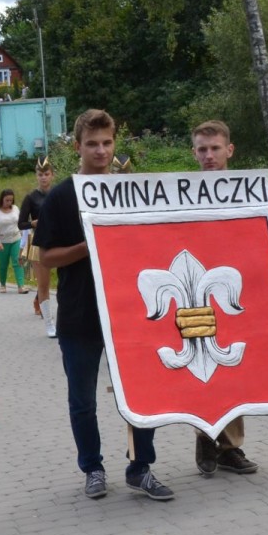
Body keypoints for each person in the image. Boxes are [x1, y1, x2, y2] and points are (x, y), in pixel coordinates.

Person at [35, 109, 174, 501]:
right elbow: (46, 257)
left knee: (142, 392)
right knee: (83, 400)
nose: (100, 150)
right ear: (77, 147)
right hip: (80, 314)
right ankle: (92, 468)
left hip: (130, 311)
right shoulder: (61, 196)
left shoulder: (130, 190)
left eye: (107, 143)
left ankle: (140, 468)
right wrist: (89, 244)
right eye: (92, 143)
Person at [189, 120, 260, 475]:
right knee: (202, 369)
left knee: (234, 370)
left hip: (235, 294)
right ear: (194, 153)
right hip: (196, 295)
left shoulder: (248, 192)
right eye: (202, 149)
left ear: (229, 150)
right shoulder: (181, 194)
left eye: (215, 148)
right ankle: (205, 436)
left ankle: (230, 447)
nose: (209, 155)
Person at [18, 156, 56, 336]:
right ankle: (49, 323)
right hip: (38, 242)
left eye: (46, 174)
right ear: (36, 176)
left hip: (59, 240)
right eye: (40, 174)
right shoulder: (30, 198)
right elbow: (21, 223)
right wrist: (33, 223)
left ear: (52, 175)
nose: (43, 178)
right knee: (44, 284)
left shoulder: (58, 194)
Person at [0, 189, 27, 294]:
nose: (9, 203)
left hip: (16, 239)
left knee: (18, 261)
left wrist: (23, 236)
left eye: (11, 200)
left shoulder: (15, 209)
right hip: (2, 242)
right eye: (7, 200)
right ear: (2, 199)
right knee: (3, 264)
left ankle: (21, 286)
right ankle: (2, 284)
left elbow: (20, 223)